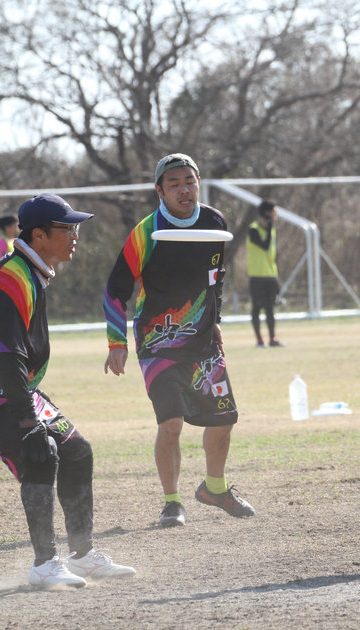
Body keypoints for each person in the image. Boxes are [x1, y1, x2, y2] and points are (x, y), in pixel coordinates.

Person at [103, 153, 255, 528]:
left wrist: (214, 320)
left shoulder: (214, 222)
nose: (184, 190)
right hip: (158, 343)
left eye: (190, 181)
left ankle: (215, 489)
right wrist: (116, 343)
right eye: (174, 184)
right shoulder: (146, 232)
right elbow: (115, 289)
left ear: (198, 183)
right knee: (171, 423)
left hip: (202, 339)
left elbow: (215, 277)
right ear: (160, 190)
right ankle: (172, 503)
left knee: (224, 419)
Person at [0, 194, 135, 589]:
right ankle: (44, 564)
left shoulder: (30, 271)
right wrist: (27, 422)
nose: (75, 236)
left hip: (14, 387)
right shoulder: (9, 278)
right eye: (67, 228)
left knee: (77, 451)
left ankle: (82, 556)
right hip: (1, 391)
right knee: (40, 453)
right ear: (39, 235)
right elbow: (7, 355)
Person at [248, 199, 283, 347]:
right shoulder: (253, 229)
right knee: (257, 308)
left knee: (270, 309)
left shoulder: (272, 230)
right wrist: (268, 229)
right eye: (274, 212)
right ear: (267, 213)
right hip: (257, 276)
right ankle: (259, 340)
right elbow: (264, 246)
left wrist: (277, 276)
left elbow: (273, 255)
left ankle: (273, 339)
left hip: (270, 276)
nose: (275, 215)